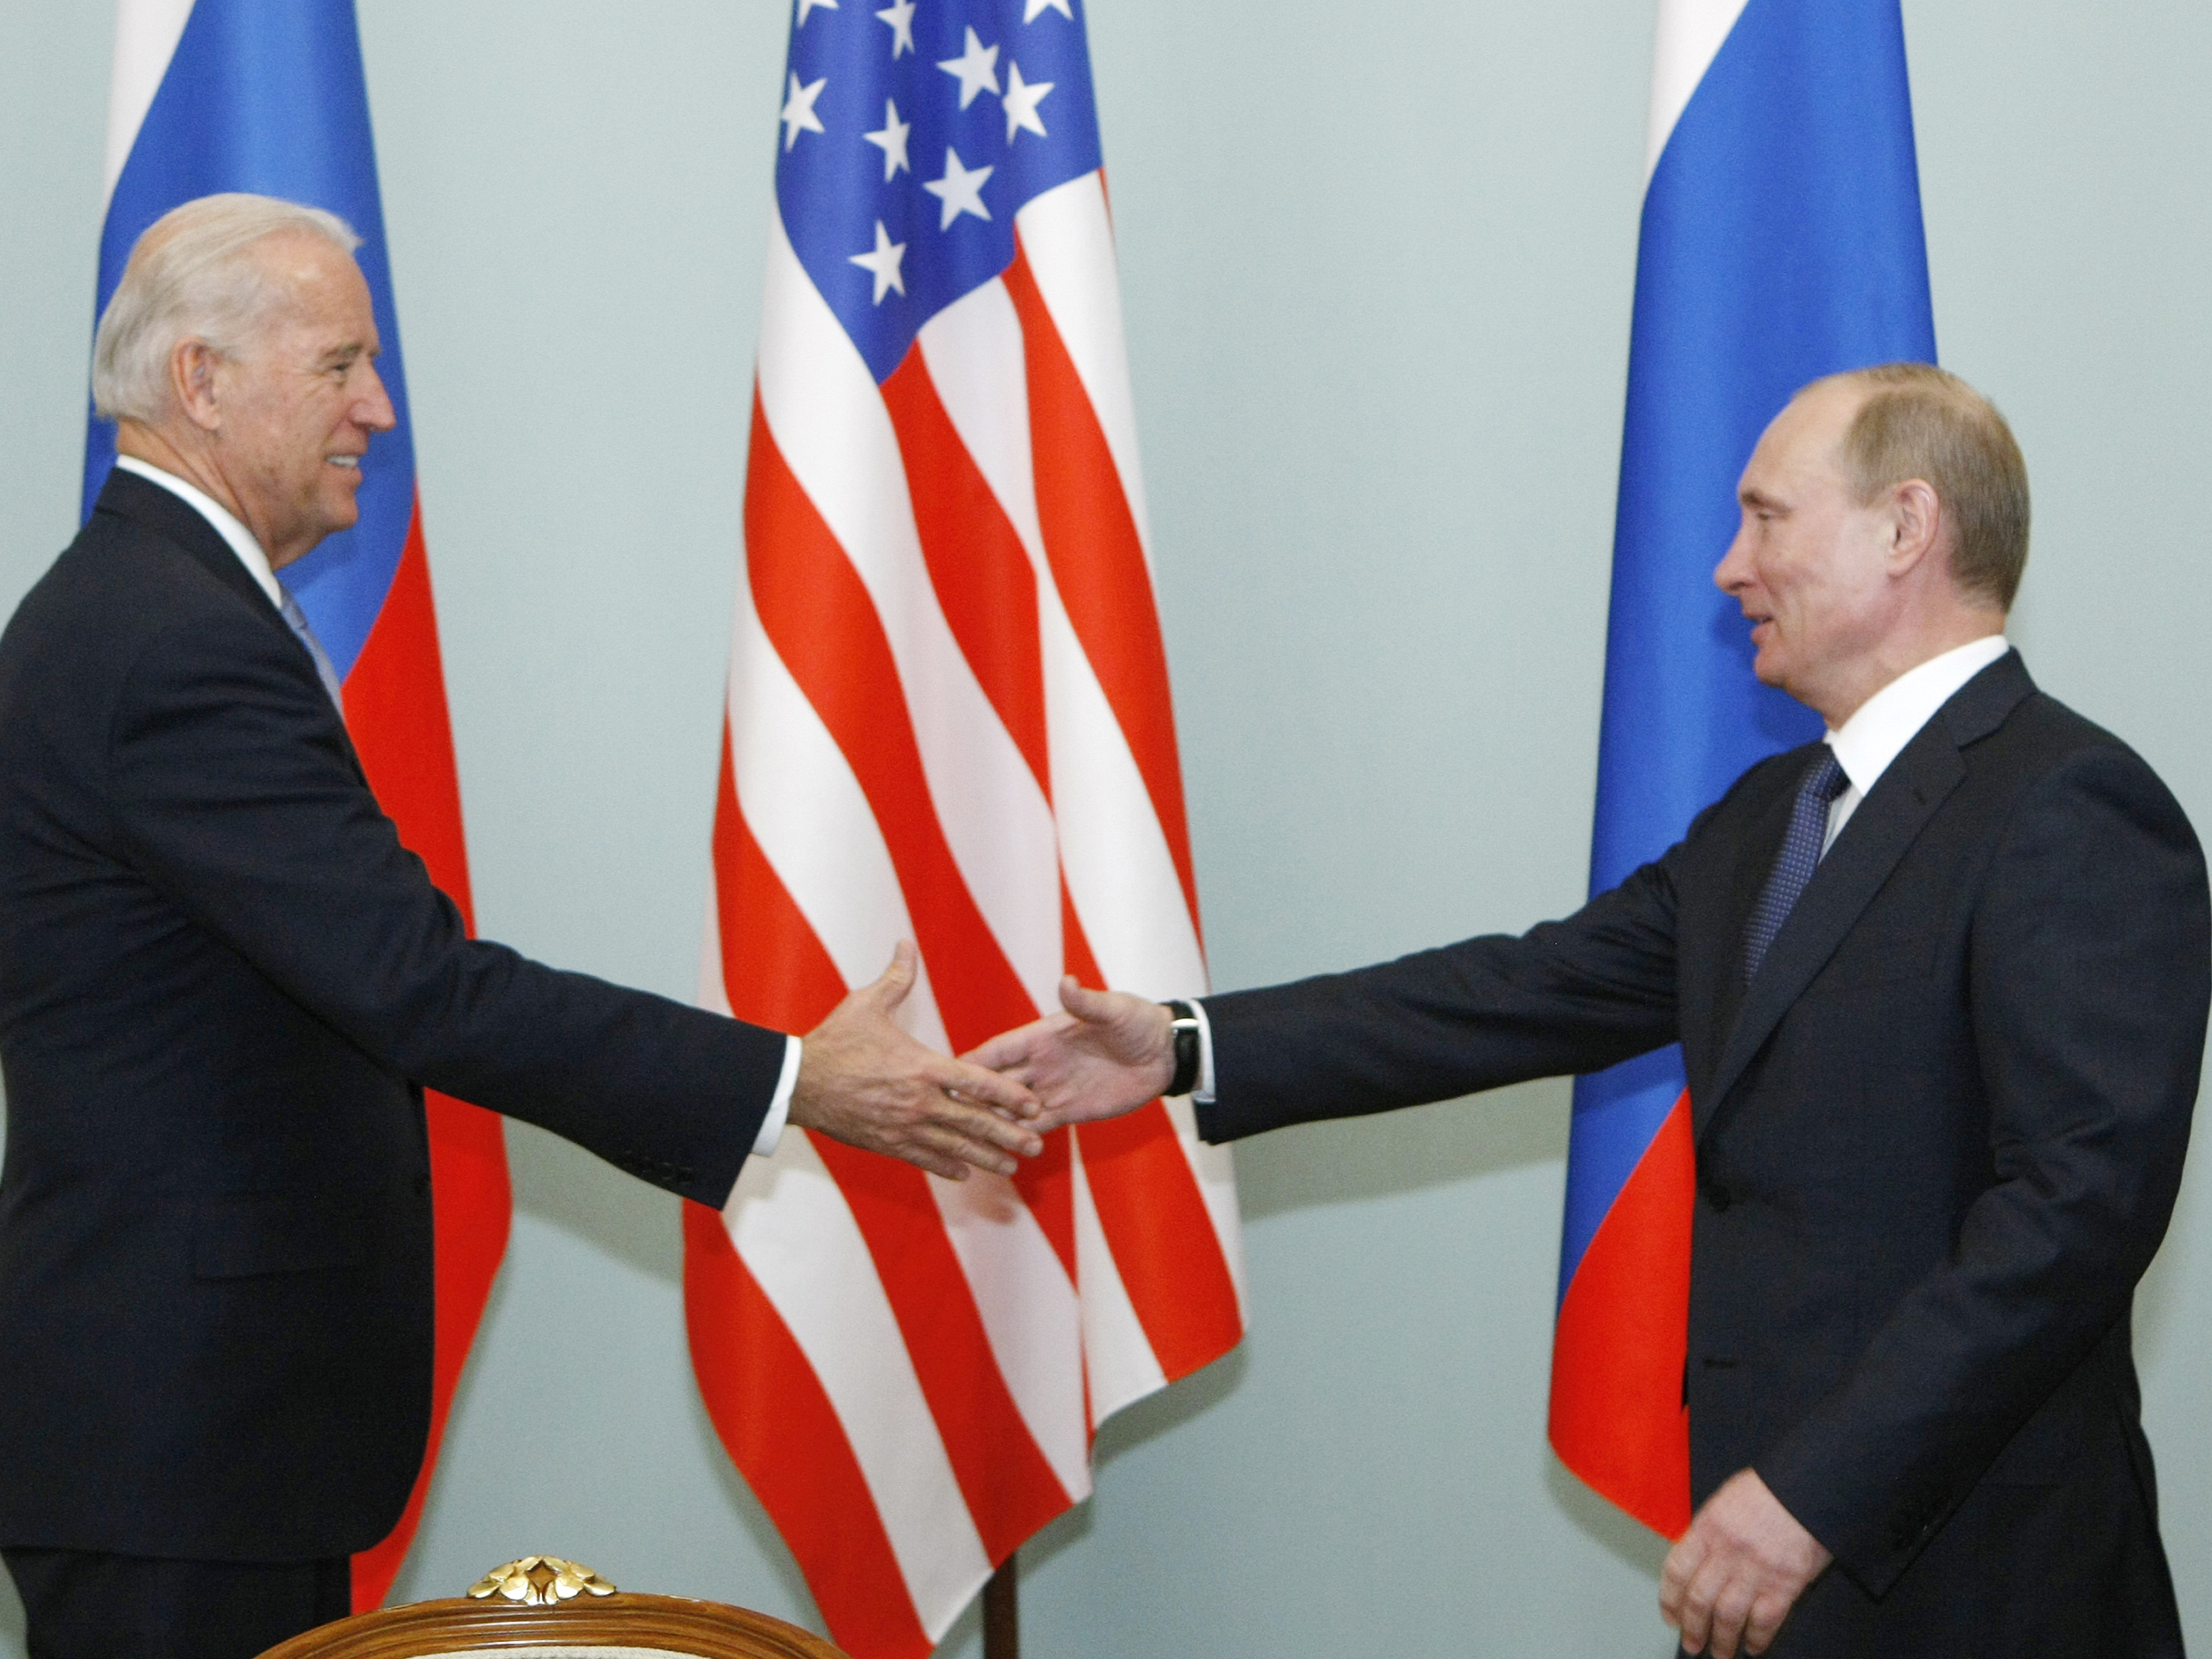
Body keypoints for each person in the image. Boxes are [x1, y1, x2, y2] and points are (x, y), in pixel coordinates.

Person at [975, 364, 2209, 1658]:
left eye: (1767, 517)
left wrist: (1816, 1492)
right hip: (1771, 1567)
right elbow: (1516, 992)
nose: (1731, 567)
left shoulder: (2068, 806)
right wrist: (1185, 1046)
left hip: (1978, 1583)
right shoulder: (1770, 818)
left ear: (1906, 528)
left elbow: (2076, 1213)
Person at [0, 192, 1042, 1659]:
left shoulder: (150, 610)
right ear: (200, 381)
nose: (377, 407)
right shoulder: (167, 643)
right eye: (341, 365)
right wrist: (797, 1079)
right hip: (177, 1439)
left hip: (199, 1433)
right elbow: (421, 990)